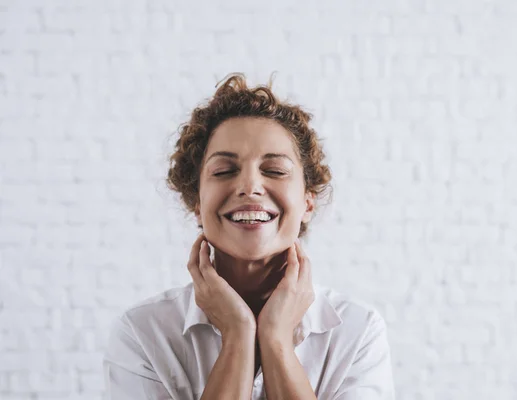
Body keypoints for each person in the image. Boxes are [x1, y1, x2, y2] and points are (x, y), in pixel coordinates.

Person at [103, 73, 395, 399]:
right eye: (224, 171)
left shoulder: (357, 332)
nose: (249, 186)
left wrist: (276, 339)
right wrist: (238, 334)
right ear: (197, 203)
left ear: (307, 202)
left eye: (274, 170)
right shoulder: (144, 333)